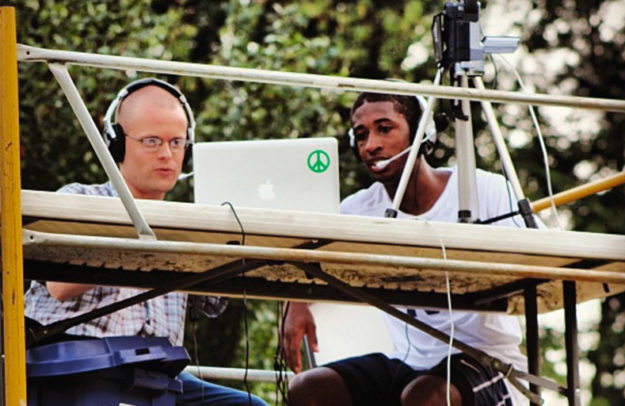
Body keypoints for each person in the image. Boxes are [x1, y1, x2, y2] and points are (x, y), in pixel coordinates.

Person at [24, 78, 268, 406]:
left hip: (160, 379)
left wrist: (233, 234)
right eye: (152, 141)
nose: (167, 154)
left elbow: (212, 301)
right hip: (80, 371)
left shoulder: (184, 222)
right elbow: (61, 284)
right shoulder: (79, 199)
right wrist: (142, 227)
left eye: (177, 142)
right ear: (117, 145)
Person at [283, 92, 534, 406]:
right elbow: (308, 258)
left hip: (488, 362)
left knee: (424, 398)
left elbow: (537, 267)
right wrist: (296, 303)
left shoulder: (484, 189)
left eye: (384, 129)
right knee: (309, 389)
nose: (371, 145)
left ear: (422, 134)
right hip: (409, 364)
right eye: (361, 135)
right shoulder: (357, 210)